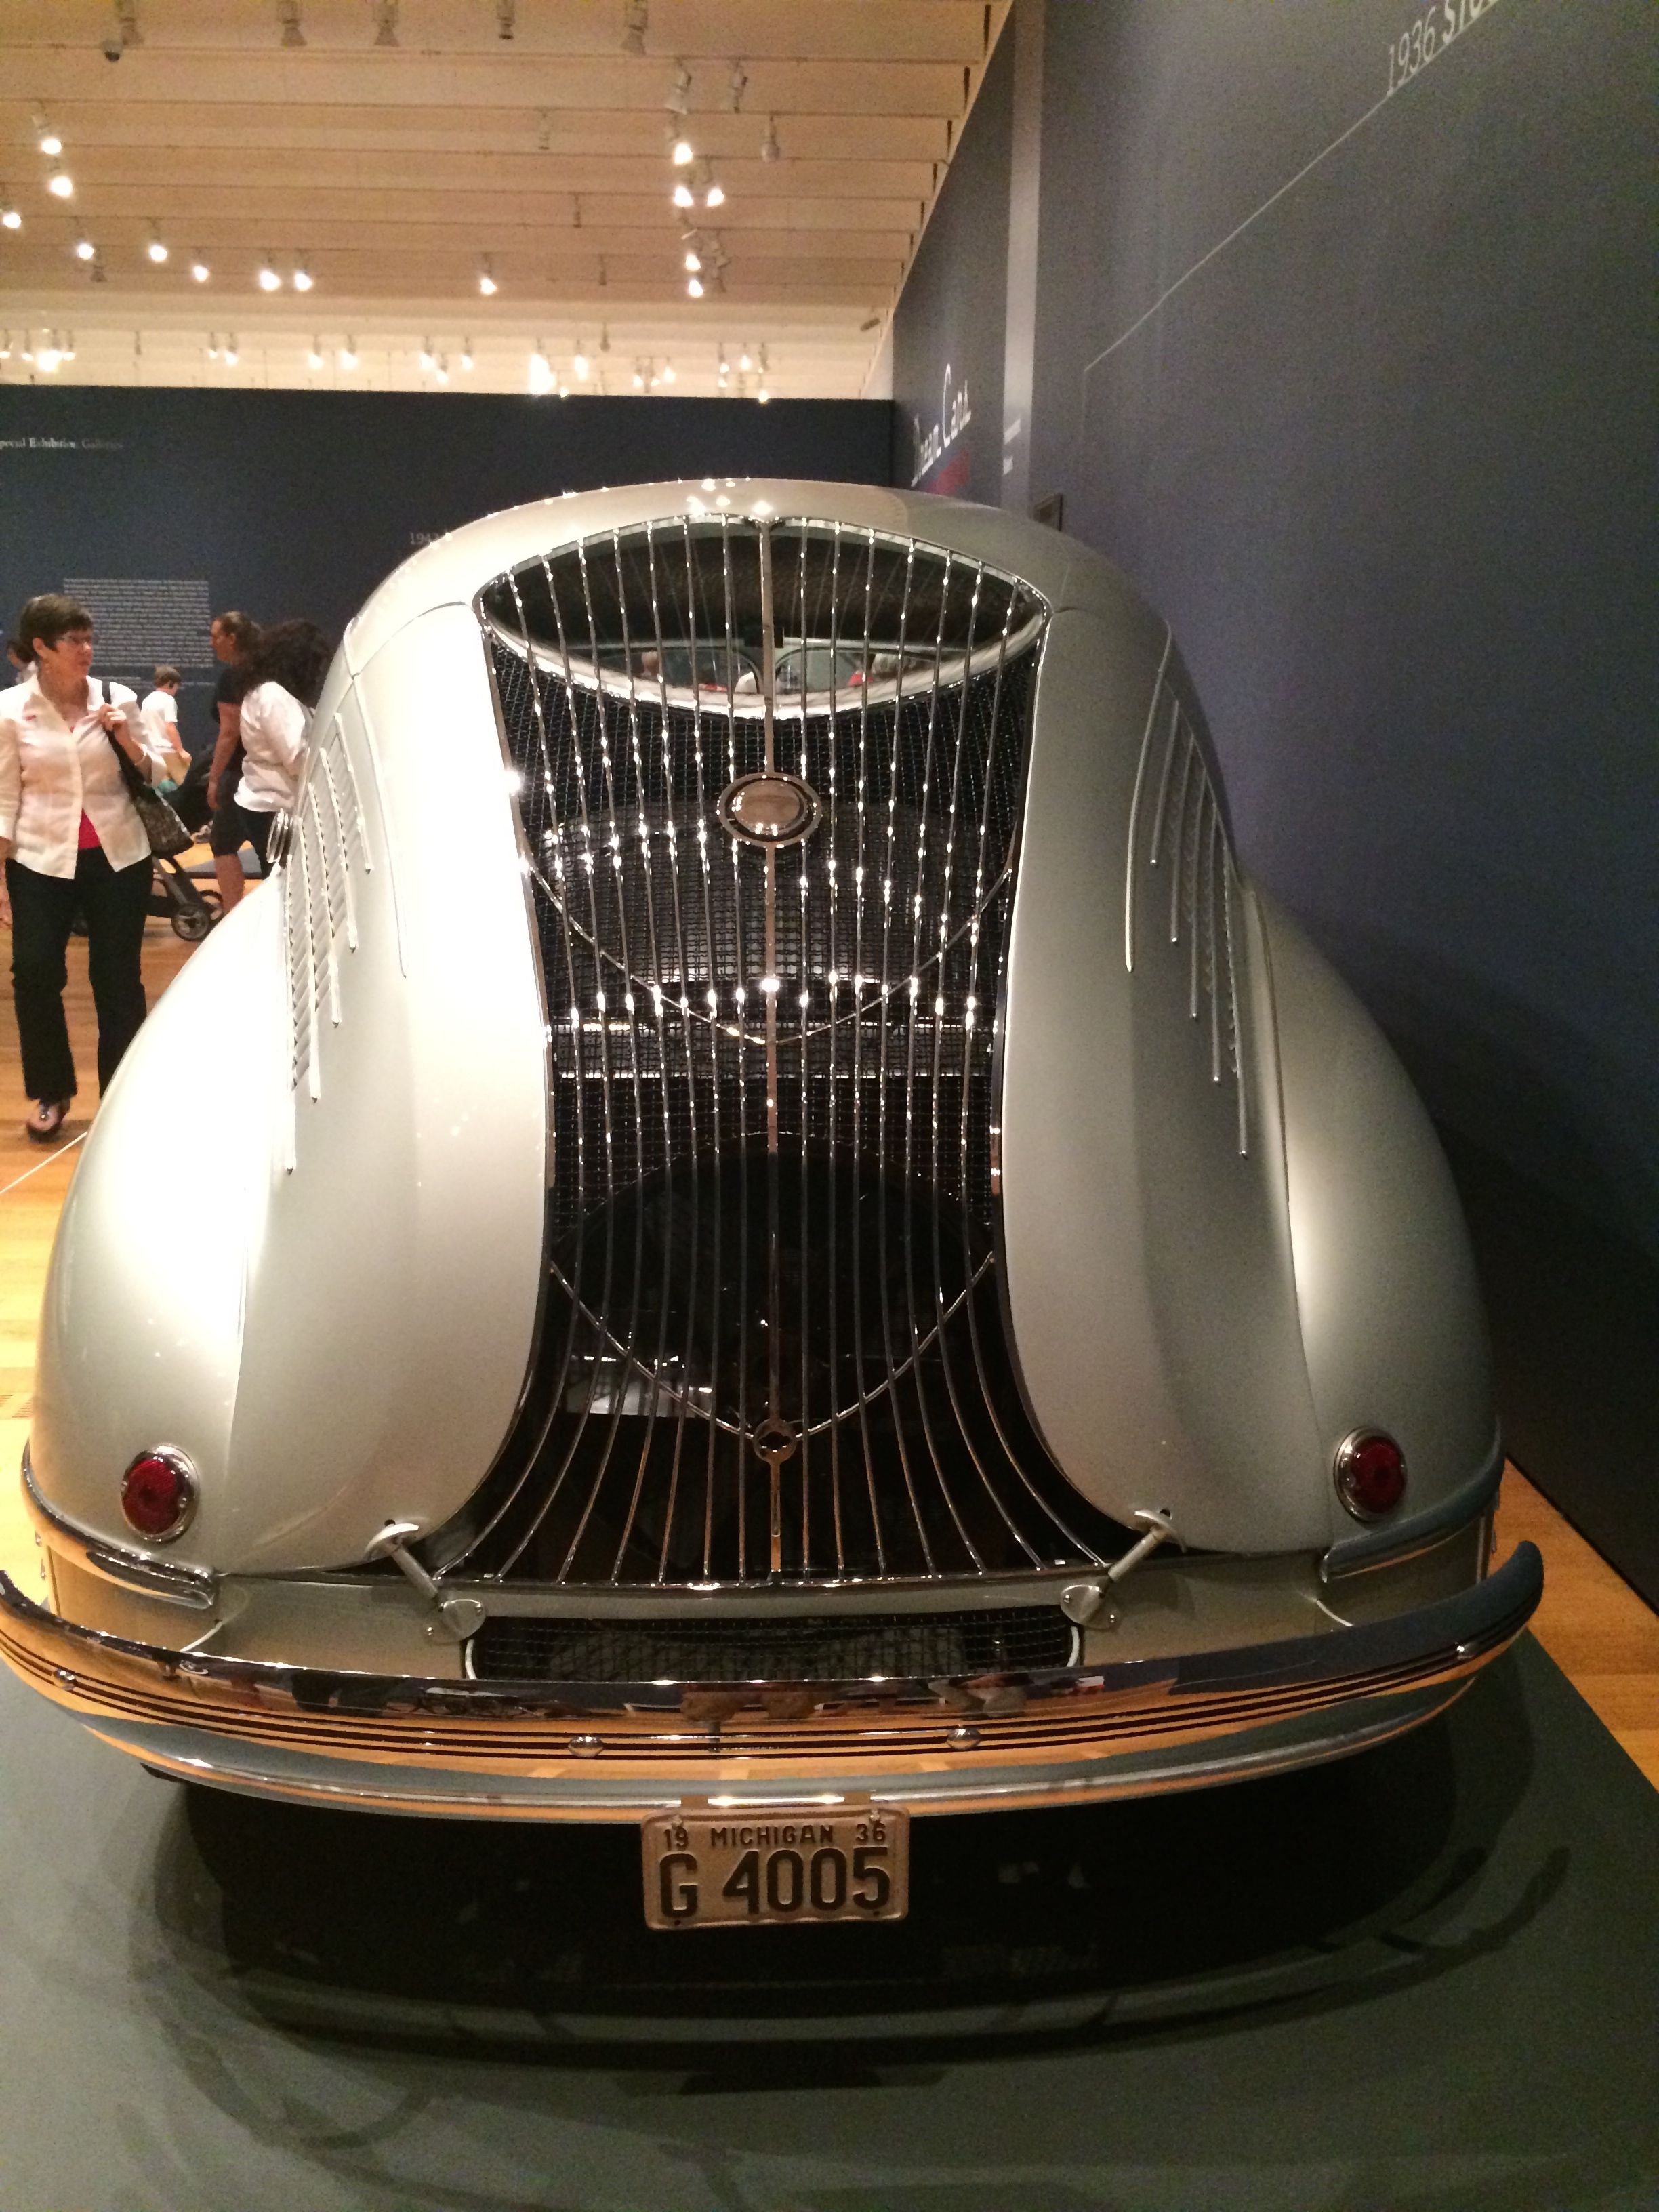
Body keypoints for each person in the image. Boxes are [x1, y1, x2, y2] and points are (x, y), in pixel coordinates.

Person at [0, 594, 175, 1141]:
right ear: (41, 647)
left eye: (88, 638)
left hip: (119, 855)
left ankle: (121, 1096)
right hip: (39, 858)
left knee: (117, 977)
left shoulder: (118, 698)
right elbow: (4, 798)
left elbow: (159, 773)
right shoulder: (10, 710)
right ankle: (51, 1090)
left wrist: (124, 737)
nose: (86, 649)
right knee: (34, 972)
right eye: (73, 640)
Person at [214, 619, 333, 911]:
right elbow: (297, 757)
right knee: (287, 892)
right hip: (274, 807)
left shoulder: (268, 692)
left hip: (268, 803)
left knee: (284, 887)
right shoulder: (273, 695)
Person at [204, 608, 259, 912]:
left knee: (223, 843)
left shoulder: (233, 677)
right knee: (270, 849)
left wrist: (213, 778)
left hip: (241, 773)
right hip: (271, 772)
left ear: (232, 638)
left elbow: (229, 732)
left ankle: (233, 915)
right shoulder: (266, 671)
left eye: (216, 636)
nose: (212, 643)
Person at [139, 663, 188, 781]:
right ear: (170, 683)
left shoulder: (147, 700)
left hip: (151, 750)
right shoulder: (169, 700)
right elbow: (170, 726)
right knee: (181, 782)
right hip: (167, 751)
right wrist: (181, 751)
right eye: (176, 686)